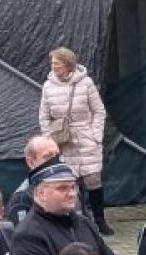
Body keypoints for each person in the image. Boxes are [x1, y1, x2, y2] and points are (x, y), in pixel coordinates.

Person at [40, 47, 112, 235]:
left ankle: (100, 220)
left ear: (67, 64)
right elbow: (44, 116)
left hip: (86, 138)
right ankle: (75, 220)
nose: (53, 66)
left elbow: (99, 111)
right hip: (63, 141)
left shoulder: (86, 83)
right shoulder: (48, 86)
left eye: (57, 63)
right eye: (52, 63)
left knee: (93, 180)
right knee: (70, 181)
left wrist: (96, 135)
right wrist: (50, 140)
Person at [7, 136, 61, 226]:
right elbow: (23, 233)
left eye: (57, 156)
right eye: (48, 157)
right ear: (31, 162)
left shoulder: (70, 189)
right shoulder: (22, 199)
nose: (55, 161)